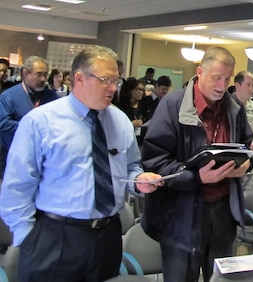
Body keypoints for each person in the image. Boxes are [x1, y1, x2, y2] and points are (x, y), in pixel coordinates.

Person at [0, 45, 161, 281]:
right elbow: (17, 187)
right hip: (56, 234)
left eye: (116, 81)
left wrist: (139, 181)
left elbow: (130, 168)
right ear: (79, 78)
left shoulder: (120, 121)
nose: (112, 88)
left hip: (107, 234)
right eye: (105, 80)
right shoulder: (41, 122)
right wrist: (27, 237)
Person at [140, 46, 253, 282]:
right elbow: (155, 162)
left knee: (222, 278)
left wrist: (246, 165)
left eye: (227, 79)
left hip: (223, 212)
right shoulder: (172, 106)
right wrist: (197, 178)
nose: (222, 86)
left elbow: (247, 146)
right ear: (200, 72)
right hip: (181, 213)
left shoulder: (233, 108)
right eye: (216, 78)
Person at [0, 56, 59, 178]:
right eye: (38, 74)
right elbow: (4, 124)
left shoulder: (52, 97)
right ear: (25, 74)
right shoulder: (8, 96)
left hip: (44, 160)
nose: (43, 79)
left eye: (45, 75)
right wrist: (33, 128)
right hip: (12, 155)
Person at [116, 77, 152, 145]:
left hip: (142, 141)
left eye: (142, 90)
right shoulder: (121, 107)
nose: (140, 92)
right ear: (130, 90)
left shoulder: (146, 107)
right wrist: (131, 124)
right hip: (125, 141)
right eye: (138, 89)